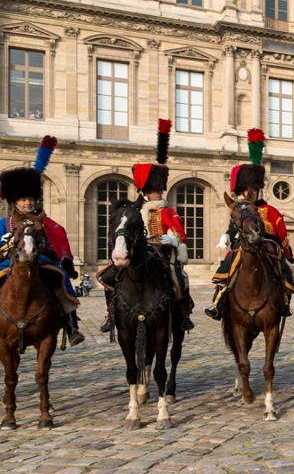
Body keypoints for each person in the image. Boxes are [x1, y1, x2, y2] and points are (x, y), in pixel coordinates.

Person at [99, 119, 194, 335]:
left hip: (161, 252)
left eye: (160, 190)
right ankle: (110, 314)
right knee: (109, 277)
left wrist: (170, 239)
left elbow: (180, 235)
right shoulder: (133, 209)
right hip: (135, 251)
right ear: (147, 191)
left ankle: (183, 312)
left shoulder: (167, 211)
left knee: (179, 278)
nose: (159, 194)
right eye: (155, 191)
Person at [0, 136, 84, 346]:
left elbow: (55, 244)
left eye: (30, 199)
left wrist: (55, 255)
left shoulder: (47, 223)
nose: (28, 203)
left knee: (61, 275)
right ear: (15, 202)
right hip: (8, 263)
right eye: (23, 199)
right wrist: (5, 244)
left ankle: (72, 324)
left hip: (40, 262)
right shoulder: (4, 223)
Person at [206, 129, 294, 320]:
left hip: (266, 245)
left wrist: (287, 253)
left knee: (284, 267)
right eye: (247, 189)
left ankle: (286, 299)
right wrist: (227, 236)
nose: (250, 192)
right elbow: (233, 226)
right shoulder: (239, 208)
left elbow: (280, 233)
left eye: (253, 188)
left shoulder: (267, 210)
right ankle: (218, 301)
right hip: (243, 244)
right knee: (230, 264)